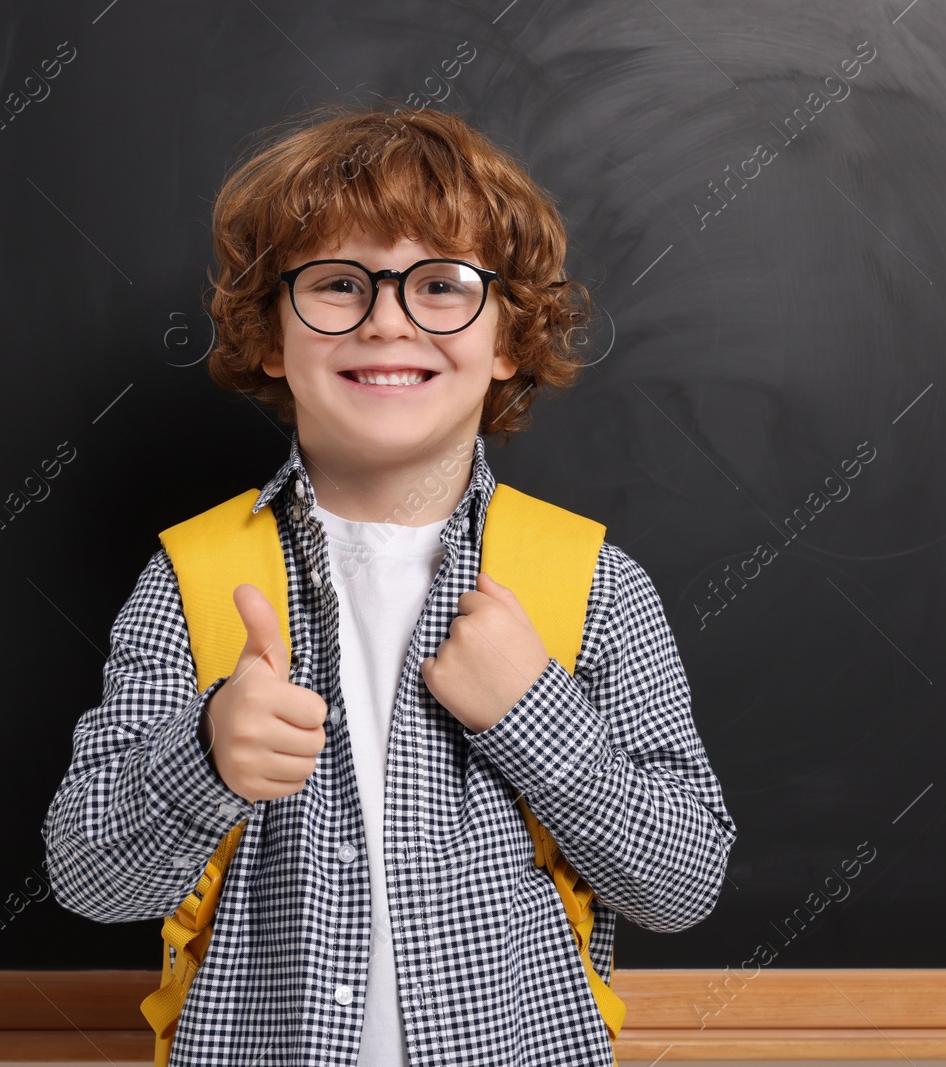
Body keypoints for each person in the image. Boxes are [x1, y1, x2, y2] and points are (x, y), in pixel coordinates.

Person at [40, 99, 736, 1067]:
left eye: (440, 285)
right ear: (272, 334)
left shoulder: (592, 587)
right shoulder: (193, 579)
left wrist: (535, 713)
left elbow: (683, 881)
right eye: (336, 284)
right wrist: (207, 754)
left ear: (507, 338)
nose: (386, 320)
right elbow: (84, 871)